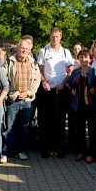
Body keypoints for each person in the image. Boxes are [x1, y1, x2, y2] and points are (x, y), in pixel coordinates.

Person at [36, 28, 74, 158]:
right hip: (47, 90)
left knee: (60, 120)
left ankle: (59, 148)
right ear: (49, 36)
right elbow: (39, 69)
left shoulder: (66, 52)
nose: (55, 39)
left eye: (57, 36)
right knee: (46, 120)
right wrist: (43, 81)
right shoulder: (43, 51)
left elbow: (70, 69)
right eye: (53, 36)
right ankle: (46, 148)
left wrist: (64, 82)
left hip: (60, 90)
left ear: (61, 37)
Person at [4, 38, 40, 161]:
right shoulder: (9, 62)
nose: (23, 50)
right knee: (9, 128)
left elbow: (36, 80)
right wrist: (14, 93)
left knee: (24, 127)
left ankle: (21, 151)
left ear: (30, 50)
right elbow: (5, 81)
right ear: (17, 48)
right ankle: (7, 151)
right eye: (21, 48)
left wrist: (29, 93)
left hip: (28, 101)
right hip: (13, 100)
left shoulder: (33, 63)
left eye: (26, 48)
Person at [67, 50, 96, 164]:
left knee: (92, 130)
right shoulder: (75, 72)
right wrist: (72, 89)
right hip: (78, 104)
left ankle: (92, 153)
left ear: (89, 58)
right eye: (81, 57)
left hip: (91, 105)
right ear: (78, 58)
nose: (83, 59)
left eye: (85, 57)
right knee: (80, 130)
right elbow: (70, 84)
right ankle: (81, 151)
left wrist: (94, 90)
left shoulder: (94, 71)